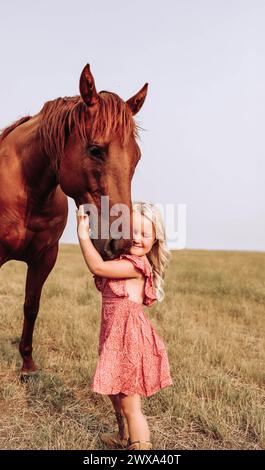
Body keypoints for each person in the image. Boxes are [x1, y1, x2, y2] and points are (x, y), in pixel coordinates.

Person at [76, 201, 173, 450]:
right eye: (133, 233)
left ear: (155, 240)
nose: (138, 239)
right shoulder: (124, 259)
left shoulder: (136, 266)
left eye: (145, 234)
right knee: (115, 391)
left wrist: (82, 235)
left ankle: (141, 447)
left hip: (128, 340)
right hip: (113, 336)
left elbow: (97, 266)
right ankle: (123, 436)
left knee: (130, 403)